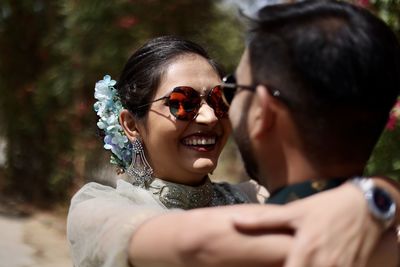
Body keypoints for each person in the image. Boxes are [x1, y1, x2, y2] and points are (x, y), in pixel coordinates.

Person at [67, 24, 399, 267]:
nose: (210, 117)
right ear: (130, 124)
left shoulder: (252, 196)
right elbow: (194, 245)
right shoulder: (97, 210)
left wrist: (380, 192)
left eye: (219, 99)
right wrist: (369, 203)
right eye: (182, 102)